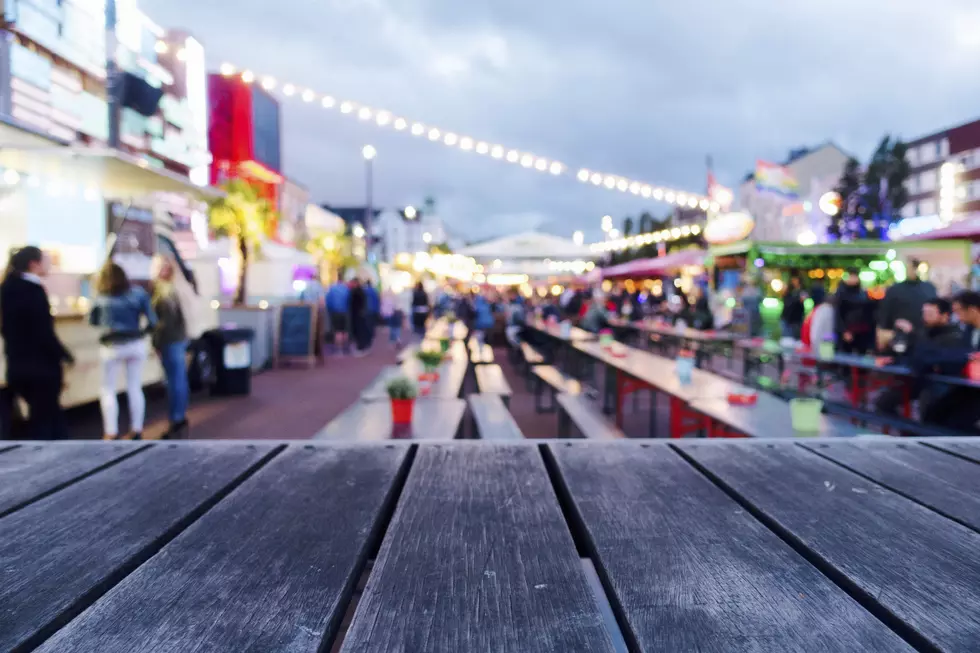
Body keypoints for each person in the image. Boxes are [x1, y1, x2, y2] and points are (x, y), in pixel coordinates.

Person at [0, 246, 74, 440]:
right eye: (45, 260)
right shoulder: (34, 290)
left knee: (41, 418)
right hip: (41, 368)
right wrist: (63, 354)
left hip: (17, 365)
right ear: (33, 264)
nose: (49, 264)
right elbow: (43, 331)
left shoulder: (7, 287)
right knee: (47, 421)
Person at [90, 262, 157, 440]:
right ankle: (136, 428)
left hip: (111, 345)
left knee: (108, 389)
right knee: (134, 386)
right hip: (135, 343)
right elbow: (152, 321)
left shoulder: (101, 296)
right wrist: (141, 333)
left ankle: (110, 431)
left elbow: (94, 321)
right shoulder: (138, 294)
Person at [151, 255, 190, 438]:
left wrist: (156, 341)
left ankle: (177, 419)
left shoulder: (164, 290)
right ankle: (178, 417)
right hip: (178, 338)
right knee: (178, 379)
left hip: (170, 339)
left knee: (175, 380)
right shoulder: (174, 288)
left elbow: (164, 322)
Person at [877, 258, 937, 351]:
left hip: (923, 334)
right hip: (899, 334)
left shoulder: (929, 288)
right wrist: (884, 332)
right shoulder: (895, 289)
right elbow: (885, 312)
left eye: (912, 268)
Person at [835, 269, 874, 354]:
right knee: (846, 356)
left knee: (861, 355)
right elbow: (838, 314)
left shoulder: (863, 293)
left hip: (862, 331)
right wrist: (844, 331)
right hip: (848, 331)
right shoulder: (842, 293)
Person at [325, 277, 351, 355]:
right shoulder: (346, 289)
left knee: (337, 331)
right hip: (345, 312)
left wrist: (330, 310)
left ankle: (339, 350)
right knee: (345, 330)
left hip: (335, 312)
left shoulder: (332, 289)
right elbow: (349, 300)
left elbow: (328, 301)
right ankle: (346, 348)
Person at [349, 278, 368, 356]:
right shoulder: (359, 291)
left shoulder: (356, 291)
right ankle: (360, 346)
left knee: (359, 331)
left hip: (357, 314)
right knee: (358, 331)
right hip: (357, 314)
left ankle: (360, 347)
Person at [364, 280, 380, 350]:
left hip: (366, 310)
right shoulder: (374, 291)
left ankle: (368, 337)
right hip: (373, 310)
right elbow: (377, 300)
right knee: (372, 324)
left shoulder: (364, 290)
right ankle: (371, 335)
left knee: (367, 324)